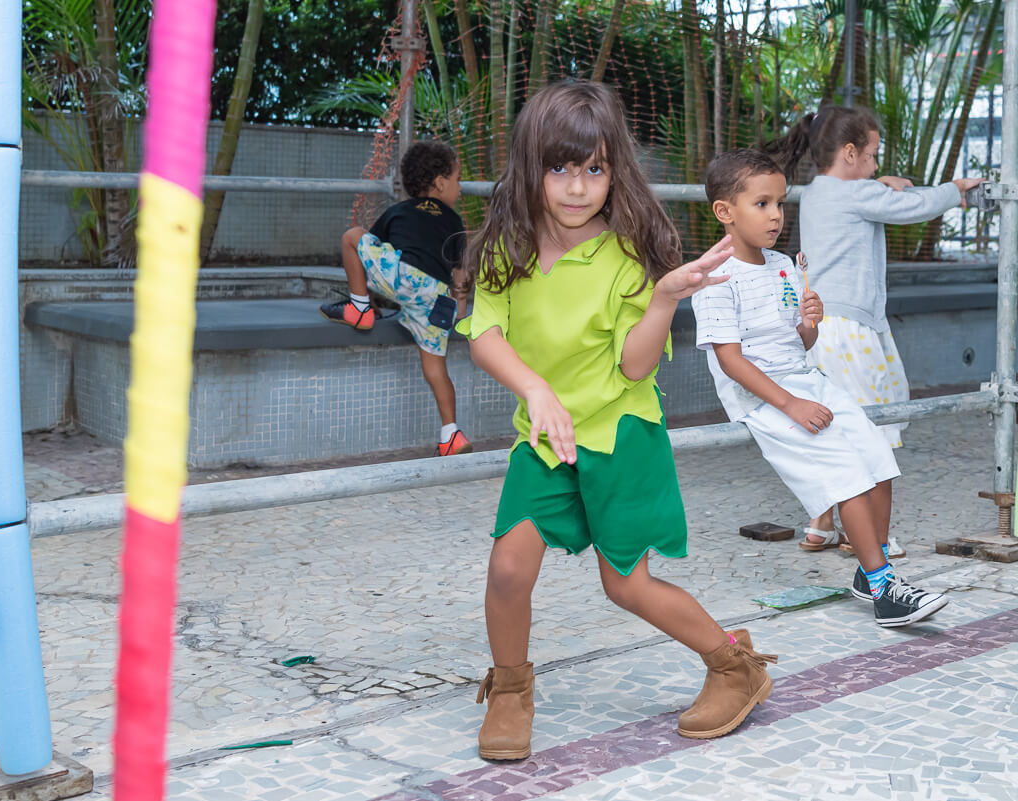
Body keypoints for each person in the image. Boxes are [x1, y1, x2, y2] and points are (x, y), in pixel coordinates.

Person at [457, 81, 776, 761]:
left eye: (594, 169)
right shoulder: (502, 247)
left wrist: (663, 298)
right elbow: (483, 330)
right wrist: (535, 390)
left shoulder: (629, 255)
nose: (577, 186)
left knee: (624, 583)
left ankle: (733, 665)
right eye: (560, 167)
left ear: (614, 171)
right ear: (530, 166)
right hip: (544, 436)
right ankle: (511, 688)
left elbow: (635, 369)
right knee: (509, 568)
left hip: (620, 432)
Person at [690, 148, 949, 628]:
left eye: (780, 204)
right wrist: (791, 404)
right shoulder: (715, 278)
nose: (775, 216)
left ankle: (867, 572)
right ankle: (884, 588)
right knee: (846, 471)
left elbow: (801, 342)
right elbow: (729, 359)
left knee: (877, 457)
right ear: (725, 212)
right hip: (763, 394)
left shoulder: (784, 266)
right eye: (762, 204)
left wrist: (809, 325)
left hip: (805, 379)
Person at [774, 106, 983, 554]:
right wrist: (955, 190)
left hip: (818, 330)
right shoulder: (858, 195)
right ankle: (868, 537)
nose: (875, 165)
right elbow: (912, 206)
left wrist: (877, 183)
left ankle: (821, 524)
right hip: (851, 331)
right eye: (871, 156)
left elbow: (873, 194)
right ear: (849, 153)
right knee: (867, 427)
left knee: (829, 425)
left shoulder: (815, 193)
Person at [319, 140, 473, 457]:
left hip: (403, 277)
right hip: (437, 297)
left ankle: (359, 308)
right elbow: (460, 270)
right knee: (435, 368)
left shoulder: (398, 211)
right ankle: (451, 434)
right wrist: (458, 310)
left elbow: (373, 251)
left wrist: (371, 293)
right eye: (457, 180)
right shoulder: (454, 222)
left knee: (352, 236)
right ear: (441, 183)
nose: (460, 188)